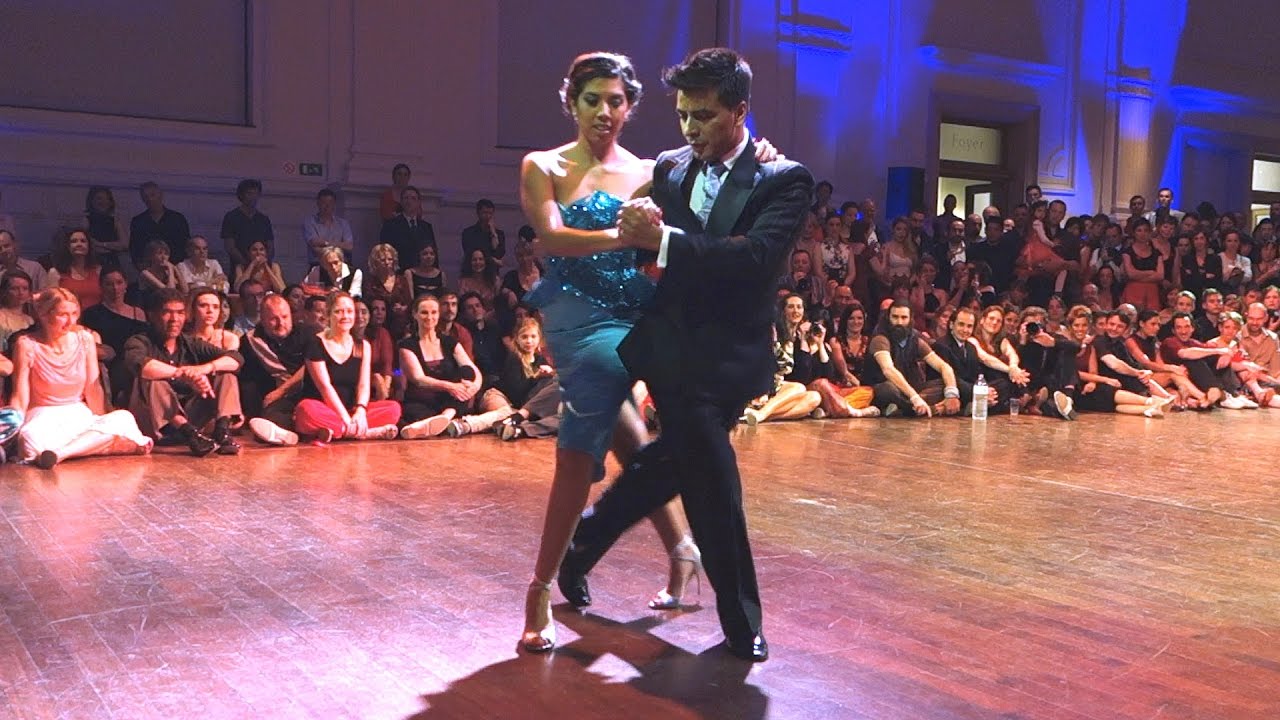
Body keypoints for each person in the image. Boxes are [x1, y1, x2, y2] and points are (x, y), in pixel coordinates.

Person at [553, 48, 807, 662]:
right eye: (683, 115)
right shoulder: (666, 167)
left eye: (705, 116)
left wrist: (663, 238)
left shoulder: (784, 179)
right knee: (713, 480)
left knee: (671, 463)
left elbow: (753, 259)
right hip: (673, 355)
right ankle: (741, 619)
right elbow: (601, 182)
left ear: (740, 111)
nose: (691, 129)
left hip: (738, 357)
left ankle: (582, 544)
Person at [517, 52, 738, 656]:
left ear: (630, 107)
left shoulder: (649, 170)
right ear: (573, 101)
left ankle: (677, 551)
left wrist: (761, 154)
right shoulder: (543, 164)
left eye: (616, 101)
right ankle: (541, 587)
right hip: (572, 314)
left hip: (631, 309)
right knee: (616, 421)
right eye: (593, 100)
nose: (605, 112)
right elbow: (552, 237)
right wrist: (625, 233)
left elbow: (710, 179)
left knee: (625, 433)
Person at [6, 288, 151, 468]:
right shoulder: (27, 344)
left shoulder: (84, 340)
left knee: (123, 419)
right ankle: (93, 447)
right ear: (44, 315)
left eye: (74, 314)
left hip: (78, 413)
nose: (70, 321)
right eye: (63, 315)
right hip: (44, 415)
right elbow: (20, 395)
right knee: (29, 439)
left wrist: (101, 420)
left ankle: (60, 453)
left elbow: (93, 387)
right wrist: (12, 427)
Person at [124, 289, 244, 456]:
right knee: (151, 379)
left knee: (225, 373)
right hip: (155, 423)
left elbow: (235, 359)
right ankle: (190, 434)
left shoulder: (190, 342)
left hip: (192, 415)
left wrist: (202, 369)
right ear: (151, 315)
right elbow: (141, 365)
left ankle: (222, 432)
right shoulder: (139, 341)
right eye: (167, 312)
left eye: (180, 313)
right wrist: (183, 374)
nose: (174, 319)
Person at [293, 292, 401, 442]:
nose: (345, 316)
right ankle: (364, 432)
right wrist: (345, 418)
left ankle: (337, 431)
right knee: (305, 410)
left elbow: (363, 385)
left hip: (352, 410)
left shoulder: (363, 346)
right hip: (324, 408)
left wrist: (361, 411)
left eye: (349, 311)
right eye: (338, 311)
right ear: (328, 314)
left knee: (393, 409)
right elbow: (325, 387)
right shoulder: (315, 343)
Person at [397, 294, 480, 438]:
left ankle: (446, 417)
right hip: (422, 401)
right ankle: (443, 423)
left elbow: (473, 370)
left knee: (467, 373)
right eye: (424, 312)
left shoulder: (449, 341)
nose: (429, 317)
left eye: (433, 312)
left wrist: (475, 386)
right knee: (416, 412)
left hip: (450, 401)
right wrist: (450, 386)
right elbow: (419, 379)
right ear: (415, 314)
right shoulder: (407, 345)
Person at [242, 294, 310, 445]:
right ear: (262, 319)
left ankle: (303, 427)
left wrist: (281, 390)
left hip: (309, 391)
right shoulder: (252, 340)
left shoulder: (308, 332)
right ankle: (297, 431)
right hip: (281, 399)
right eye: (274, 319)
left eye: (285, 317)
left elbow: (312, 366)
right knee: (267, 421)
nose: (281, 323)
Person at [129, 181, 191, 267]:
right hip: (149, 270)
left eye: (152, 195)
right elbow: (135, 249)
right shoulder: (138, 221)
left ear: (161, 195)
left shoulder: (177, 219)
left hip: (176, 267)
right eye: (145, 197)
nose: (149, 199)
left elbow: (186, 246)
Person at [220, 179, 274, 269]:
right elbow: (230, 247)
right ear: (241, 195)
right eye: (249, 193)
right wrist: (246, 265)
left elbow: (270, 246)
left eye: (256, 194)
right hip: (240, 267)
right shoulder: (231, 217)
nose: (253, 197)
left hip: (262, 268)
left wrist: (264, 262)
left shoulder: (264, 219)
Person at [45, 227, 102, 308]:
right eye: (74, 241)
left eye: (83, 241)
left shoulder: (98, 271)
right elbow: (52, 305)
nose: (79, 244)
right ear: (67, 246)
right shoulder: (55, 273)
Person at [302, 188, 354, 265]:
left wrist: (326, 243)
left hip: (341, 265)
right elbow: (314, 244)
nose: (327, 206)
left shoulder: (343, 223)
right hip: (318, 265)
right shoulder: (310, 222)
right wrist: (339, 246)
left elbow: (349, 246)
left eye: (330, 203)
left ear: (334, 204)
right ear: (318, 203)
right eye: (324, 203)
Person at [460, 198, 507, 267]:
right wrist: (493, 260)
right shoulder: (468, 233)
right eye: (484, 213)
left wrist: (494, 234)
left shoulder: (499, 234)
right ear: (478, 213)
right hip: (473, 272)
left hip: (492, 273)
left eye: (490, 213)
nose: (488, 216)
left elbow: (499, 255)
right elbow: (470, 254)